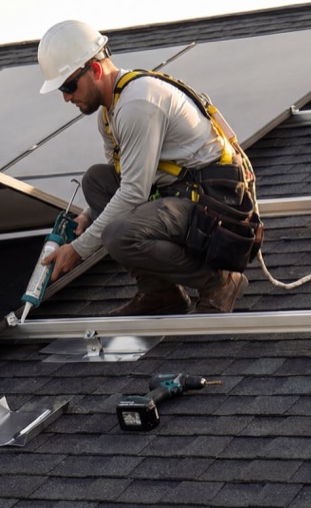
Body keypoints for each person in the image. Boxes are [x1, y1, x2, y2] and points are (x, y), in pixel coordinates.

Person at [35, 19, 252, 317]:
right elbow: (126, 179)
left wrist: (79, 249)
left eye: (69, 85)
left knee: (117, 235)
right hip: (181, 194)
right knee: (96, 181)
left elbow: (134, 193)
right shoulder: (110, 114)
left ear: (95, 70)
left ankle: (220, 281)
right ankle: (160, 292)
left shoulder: (138, 104)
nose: (66, 97)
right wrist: (87, 216)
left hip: (216, 204)